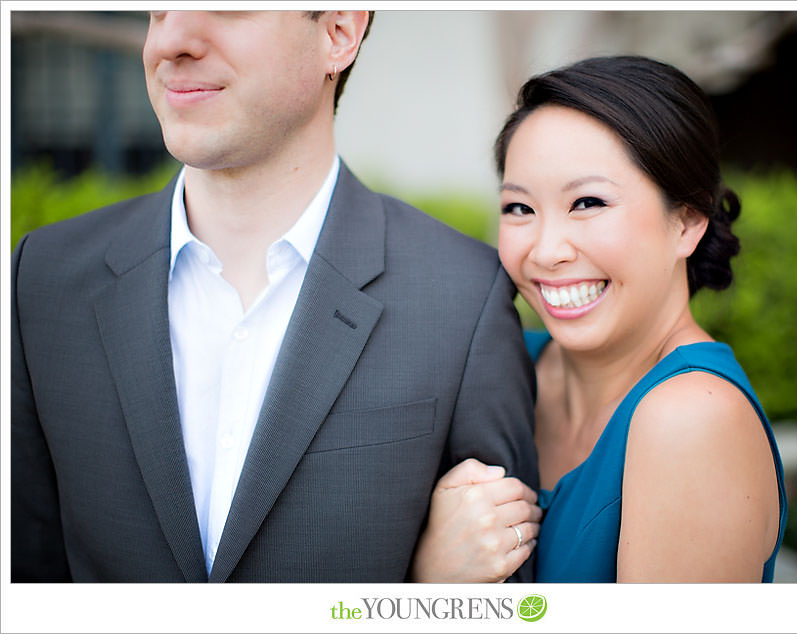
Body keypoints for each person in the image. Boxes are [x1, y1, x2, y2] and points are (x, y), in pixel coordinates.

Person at [11, 10, 540, 582]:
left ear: (338, 32)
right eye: (157, 9)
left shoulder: (461, 295)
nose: (169, 41)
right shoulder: (42, 280)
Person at [412, 55, 788, 582]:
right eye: (520, 208)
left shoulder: (692, 421)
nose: (545, 251)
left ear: (687, 220)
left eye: (587, 202)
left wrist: (434, 591)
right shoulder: (502, 363)